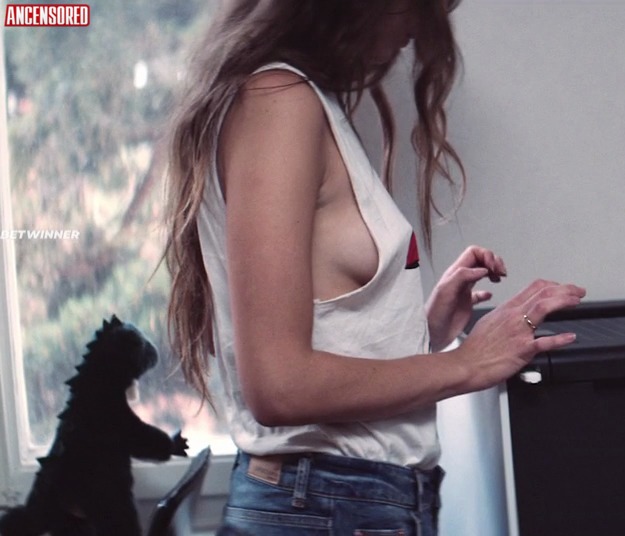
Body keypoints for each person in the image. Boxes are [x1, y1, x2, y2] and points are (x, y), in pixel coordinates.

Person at [161, 1, 586, 534]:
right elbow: (278, 386)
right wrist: (471, 362)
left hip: (340, 503)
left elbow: (319, 339)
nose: (420, 29)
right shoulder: (280, 101)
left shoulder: (301, 101)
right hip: (328, 505)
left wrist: (420, 329)